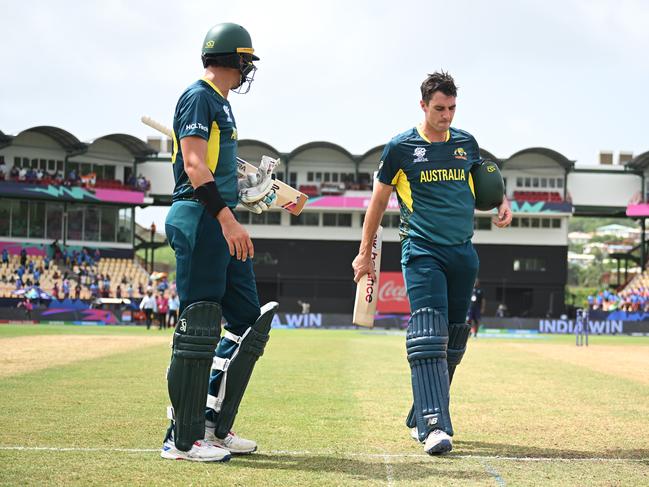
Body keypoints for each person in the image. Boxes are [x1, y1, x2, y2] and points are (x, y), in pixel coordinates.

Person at [352, 71, 512, 455]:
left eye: (452, 108)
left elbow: (486, 183)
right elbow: (377, 204)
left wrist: (502, 202)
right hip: (422, 251)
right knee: (428, 333)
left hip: (463, 253)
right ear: (423, 105)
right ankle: (435, 426)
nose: (446, 116)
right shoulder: (400, 147)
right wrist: (364, 252)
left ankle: (419, 415)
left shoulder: (466, 143)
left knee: (455, 339)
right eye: (439, 108)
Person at [159, 22, 279, 463]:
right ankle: (182, 438)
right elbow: (193, 166)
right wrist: (228, 219)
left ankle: (212, 424)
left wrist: (251, 188)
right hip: (202, 217)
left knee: (248, 320)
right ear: (232, 59)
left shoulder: (223, 106)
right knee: (199, 324)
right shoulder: (198, 97)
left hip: (222, 216)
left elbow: (216, 168)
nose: (248, 69)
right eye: (246, 60)